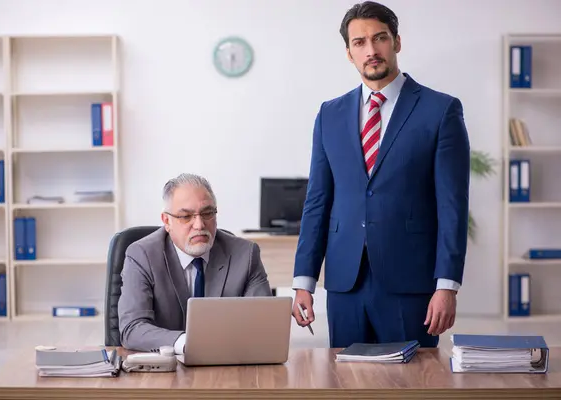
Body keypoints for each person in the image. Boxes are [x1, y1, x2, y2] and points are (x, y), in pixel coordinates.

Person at [291, 1, 470, 349]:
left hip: (411, 283)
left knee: (413, 384)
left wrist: (446, 286)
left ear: (397, 42)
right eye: (359, 43)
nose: (371, 50)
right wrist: (304, 280)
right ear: (349, 53)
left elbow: (453, 206)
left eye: (380, 38)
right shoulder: (330, 114)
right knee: (345, 383)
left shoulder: (441, 110)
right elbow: (317, 202)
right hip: (346, 284)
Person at [118, 173, 273, 352]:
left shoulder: (245, 254)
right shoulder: (142, 255)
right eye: (186, 216)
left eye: (207, 213)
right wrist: (187, 344)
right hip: (165, 368)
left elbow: (262, 325)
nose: (199, 225)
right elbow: (132, 329)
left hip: (228, 364)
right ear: (166, 221)